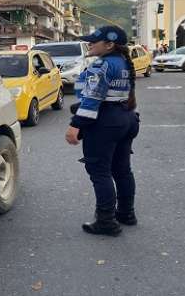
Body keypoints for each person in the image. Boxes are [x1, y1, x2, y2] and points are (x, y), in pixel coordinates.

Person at [65, 25, 140, 237]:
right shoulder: (123, 62)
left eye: (93, 41)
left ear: (109, 45)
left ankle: (106, 221)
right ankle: (126, 213)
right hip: (126, 118)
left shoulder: (103, 65)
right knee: (122, 170)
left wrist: (75, 125)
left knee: (100, 171)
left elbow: (92, 99)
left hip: (106, 121)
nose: (89, 44)